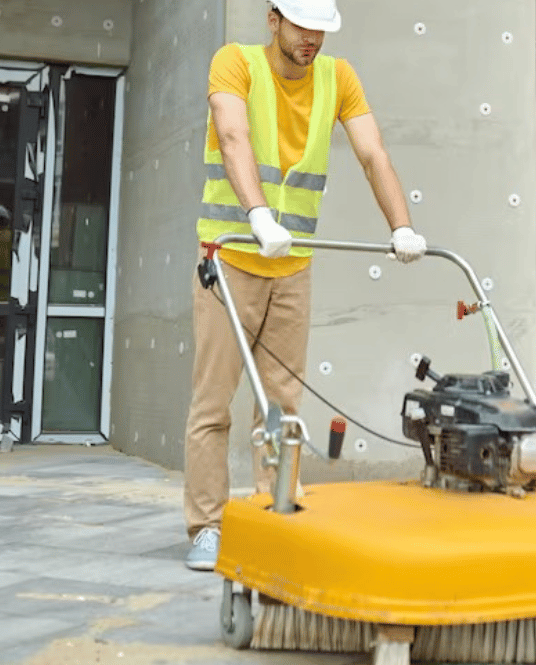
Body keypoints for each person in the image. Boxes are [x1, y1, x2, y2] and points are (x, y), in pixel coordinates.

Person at [183, 0, 428, 570]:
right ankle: (207, 527)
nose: (312, 38)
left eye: (321, 29)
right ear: (273, 20)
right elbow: (233, 135)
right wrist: (258, 215)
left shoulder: (337, 77)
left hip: (292, 266)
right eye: (301, 26)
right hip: (231, 259)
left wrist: (403, 226)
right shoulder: (234, 63)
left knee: (283, 405)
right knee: (213, 403)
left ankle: (275, 514)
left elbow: (373, 153)